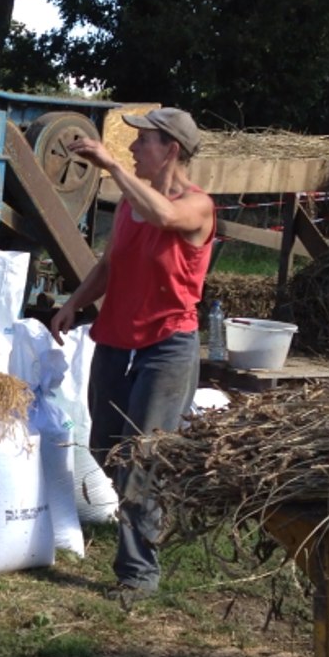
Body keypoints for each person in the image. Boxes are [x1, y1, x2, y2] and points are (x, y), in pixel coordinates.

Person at [48, 107, 215, 604]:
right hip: (116, 340)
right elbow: (110, 263)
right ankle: (153, 511)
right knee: (105, 447)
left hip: (167, 346)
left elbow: (166, 217)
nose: (133, 150)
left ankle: (138, 574)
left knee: (139, 458)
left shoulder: (198, 206)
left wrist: (110, 166)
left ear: (171, 150)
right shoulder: (127, 205)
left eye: (142, 142)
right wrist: (73, 304)